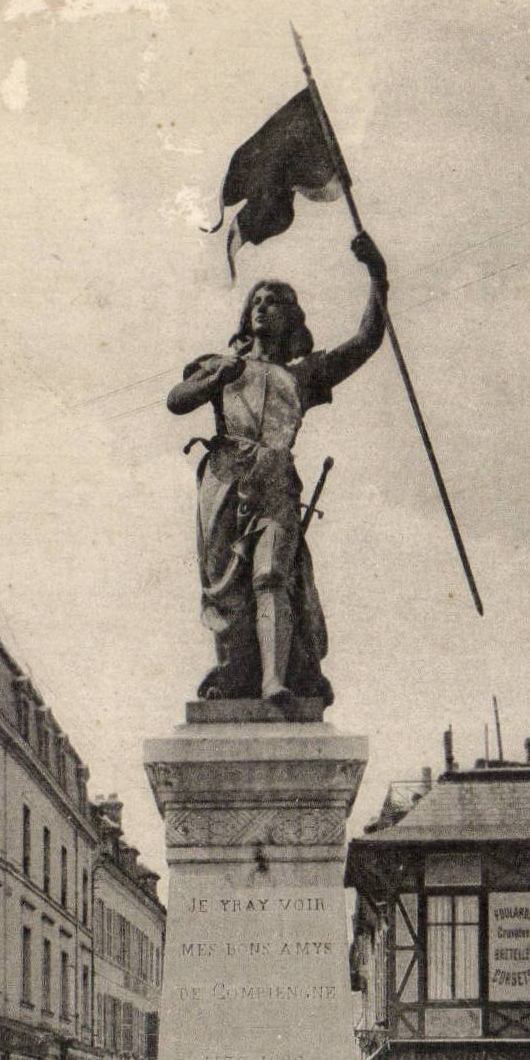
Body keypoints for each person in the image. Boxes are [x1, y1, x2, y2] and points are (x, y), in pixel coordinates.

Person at [167, 232, 389, 711]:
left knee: (272, 574)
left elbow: (366, 341)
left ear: (290, 319)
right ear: (247, 315)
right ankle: (236, 670)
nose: (264, 307)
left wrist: (378, 277)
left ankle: (273, 680)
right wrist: (213, 378)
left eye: (275, 303)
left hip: (275, 478)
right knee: (224, 584)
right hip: (225, 477)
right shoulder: (222, 364)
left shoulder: (304, 374)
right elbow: (176, 401)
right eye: (258, 301)